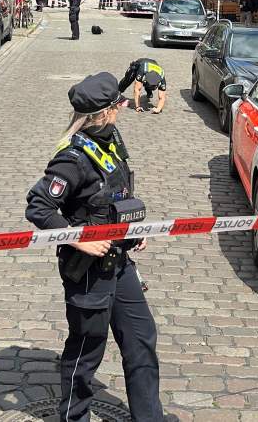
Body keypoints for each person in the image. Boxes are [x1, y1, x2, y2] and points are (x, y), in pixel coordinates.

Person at [25, 72, 163, 422]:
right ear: (103, 113)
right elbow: (39, 206)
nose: (122, 109)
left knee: (141, 337)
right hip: (88, 272)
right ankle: (74, 417)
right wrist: (78, 237)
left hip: (120, 262)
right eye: (118, 105)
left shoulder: (110, 140)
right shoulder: (72, 159)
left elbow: (113, 198)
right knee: (87, 350)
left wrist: (133, 231)